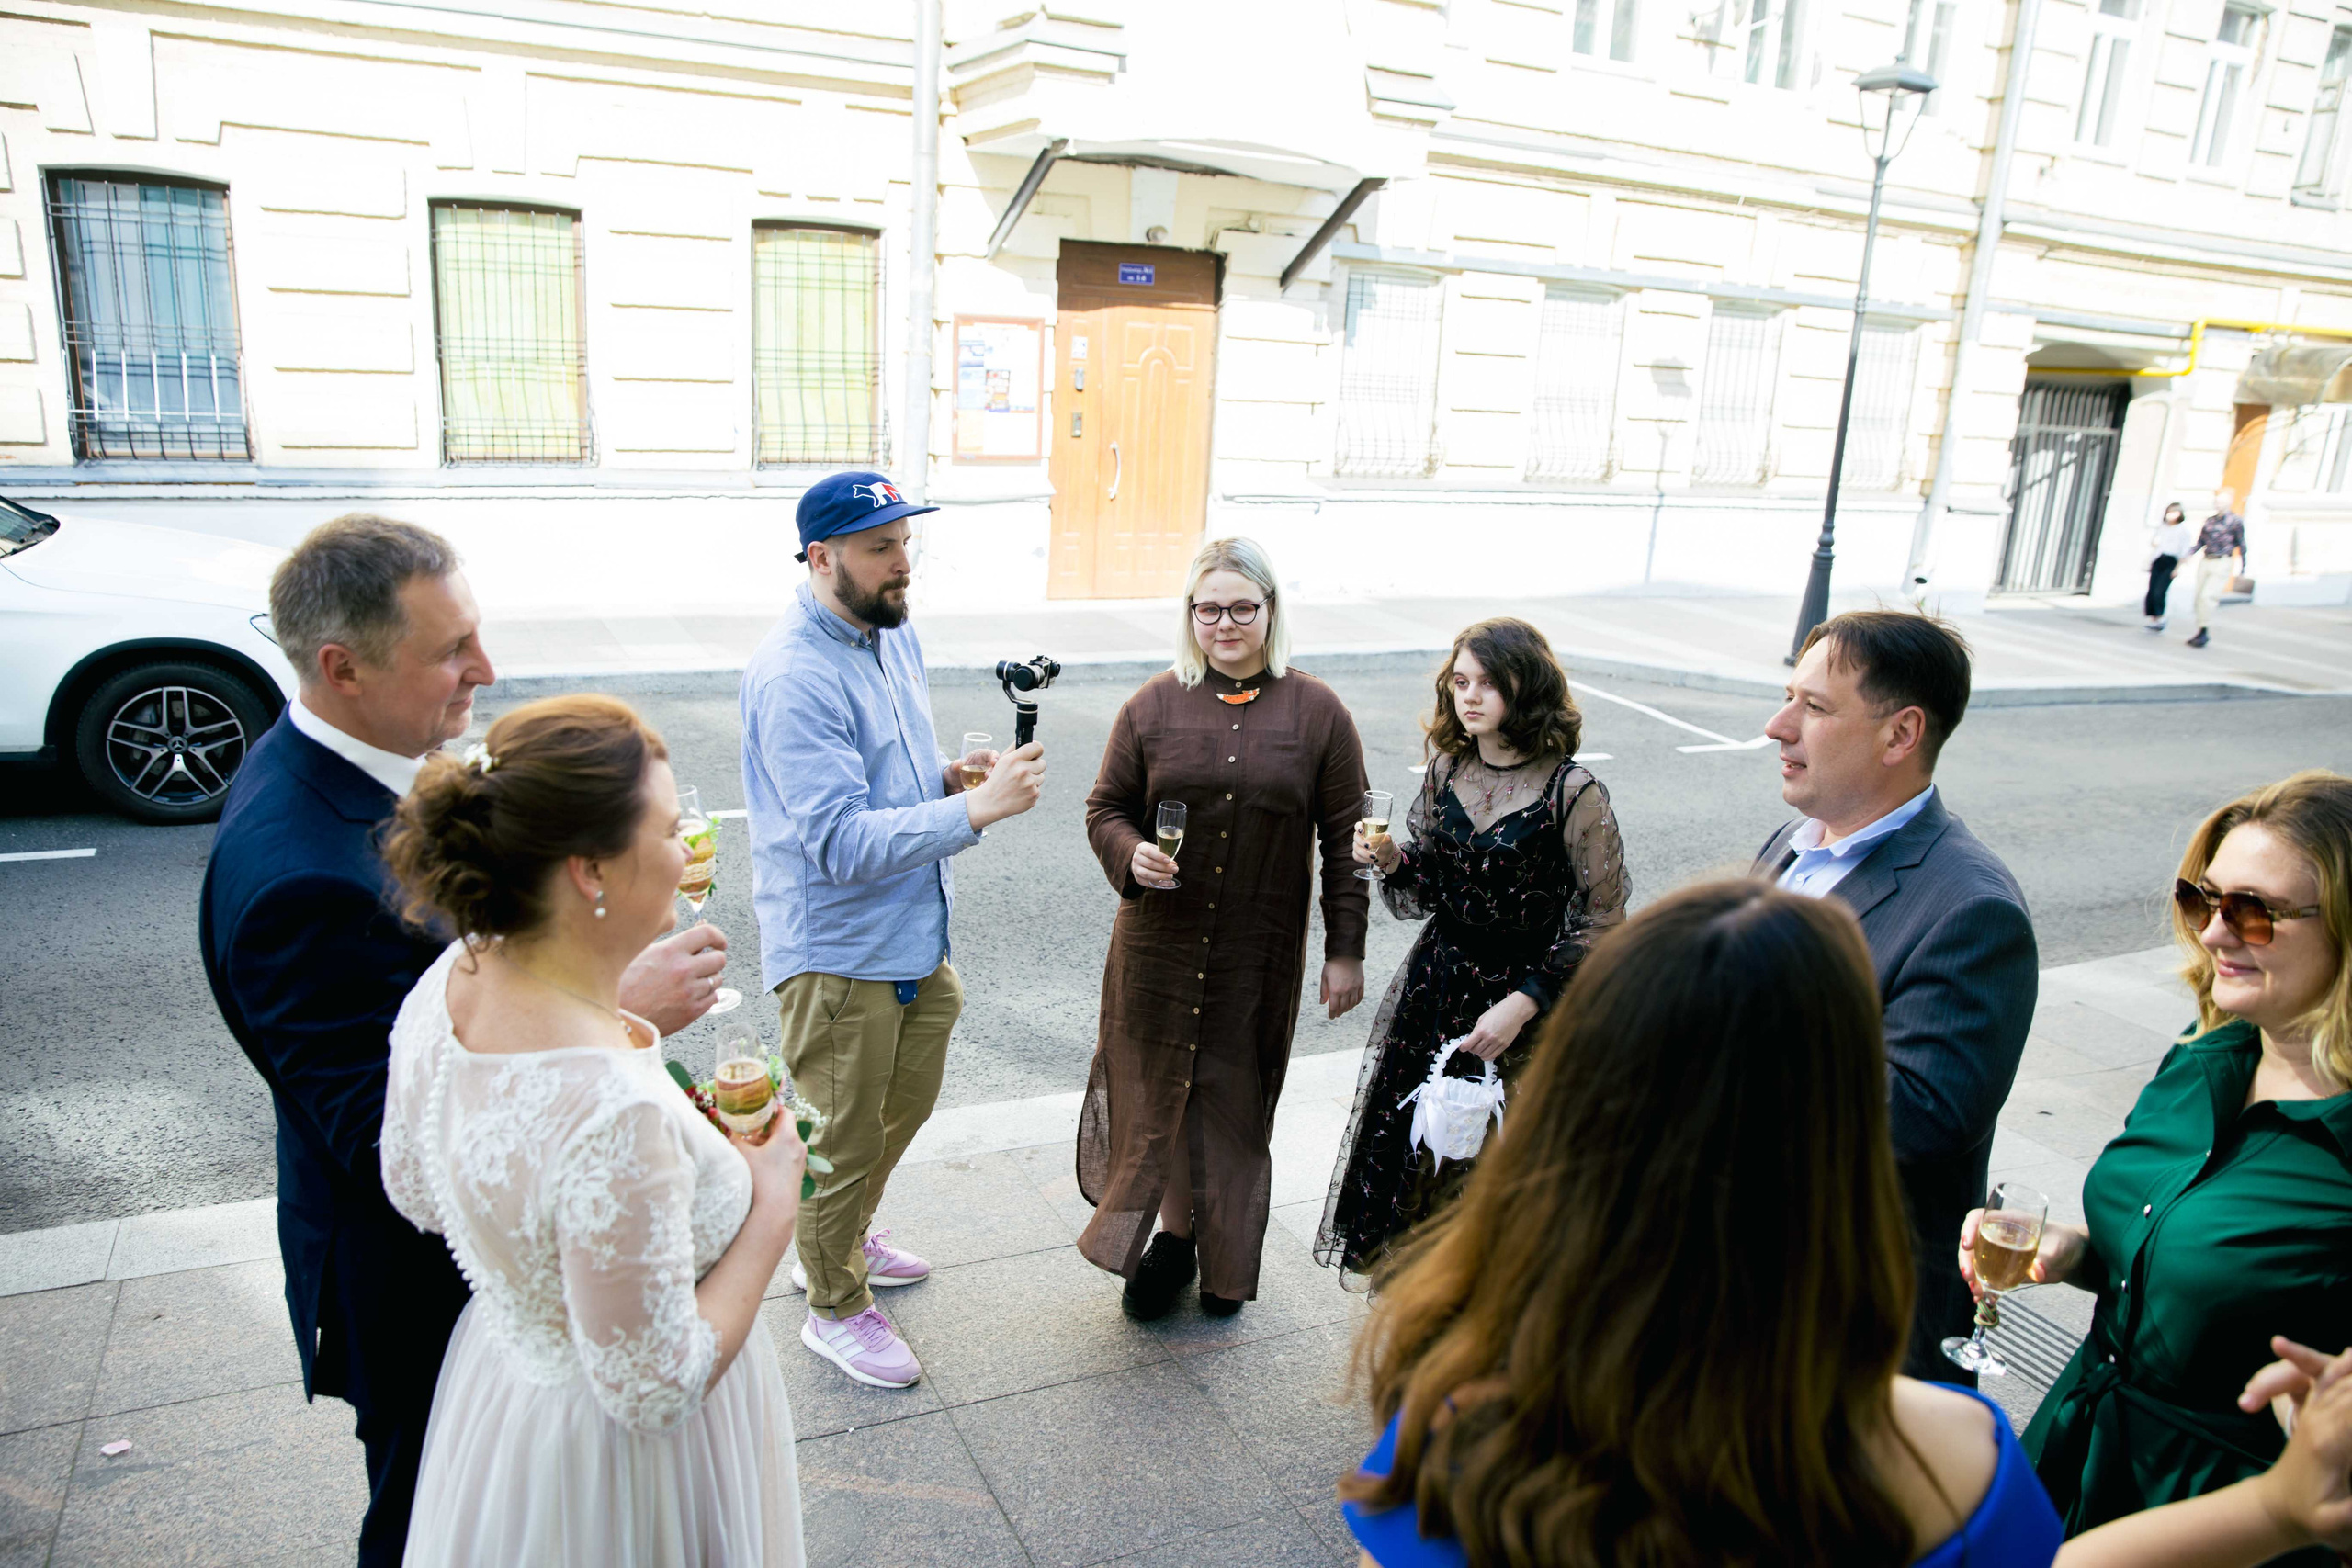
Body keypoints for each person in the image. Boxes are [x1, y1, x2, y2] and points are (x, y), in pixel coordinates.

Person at [1336, 881, 2352, 1568]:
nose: (2215, 930)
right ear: (1835, 1149)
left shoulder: (1444, 1407)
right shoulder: (1947, 1458)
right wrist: (2270, 1509)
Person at [198, 516, 729, 1568]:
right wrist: (615, 1006)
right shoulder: (302, 878)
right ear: (342, 668)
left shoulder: (355, 767)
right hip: (423, 1293)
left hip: (502, 1280)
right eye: (450, 651)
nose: (486, 669)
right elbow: (387, 1134)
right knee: (427, 1528)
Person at [379, 696, 807, 1565]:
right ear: (590, 871)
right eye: (668, 825)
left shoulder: (452, 977)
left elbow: (415, 1188)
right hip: (630, 1472)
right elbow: (654, 1387)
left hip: (506, 1404)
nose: (690, 842)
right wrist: (770, 1205)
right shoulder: (617, 1108)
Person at [1972, 771, 2352, 1562]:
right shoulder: (2202, 1053)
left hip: (2225, 1520)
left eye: (2254, 912)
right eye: (2202, 899)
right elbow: (2172, 1248)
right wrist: (2076, 1253)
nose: (2214, 933)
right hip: (2077, 1457)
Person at [740, 470, 1045, 1389]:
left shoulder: (884, 631)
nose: (901, 562)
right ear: (822, 557)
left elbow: (877, 783)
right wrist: (976, 812)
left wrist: (950, 777)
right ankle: (832, 1304)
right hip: (836, 952)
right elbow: (831, 840)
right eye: (881, 547)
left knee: (891, 1113)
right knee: (838, 1137)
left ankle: (836, 1234)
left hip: (911, 934)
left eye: (906, 542)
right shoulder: (795, 673)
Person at [1079, 536, 1368, 1319]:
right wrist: (1131, 852)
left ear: (1271, 611)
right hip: (1159, 947)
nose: (1225, 622)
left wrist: (1346, 949)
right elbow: (1105, 807)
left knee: (1235, 1097)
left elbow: (1350, 840)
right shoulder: (1151, 704)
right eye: (1209, 608)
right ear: (1190, 615)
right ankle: (1175, 1237)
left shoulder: (1319, 713)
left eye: (1243, 606)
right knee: (1164, 1094)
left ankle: (1225, 1248)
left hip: (1257, 947)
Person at [1753, 609, 2036, 1385]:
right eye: (1789, 697)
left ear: (1901, 734)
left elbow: (1913, 1117)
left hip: (1846, 1330)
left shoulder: (1972, 910)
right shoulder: (1792, 842)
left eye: (1814, 707)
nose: (1779, 726)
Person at [1315, 617, 1627, 1280]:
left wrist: (1526, 1002)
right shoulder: (1446, 769)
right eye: (1460, 681)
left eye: (1489, 681)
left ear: (1528, 685)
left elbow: (1605, 920)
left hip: (1529, 996)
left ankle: (1484, 1309)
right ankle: (1417, 1299)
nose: (1471, 696)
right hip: (1439, 986)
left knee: (1496, 1160)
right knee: (1423, 1142)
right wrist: (1394, 859)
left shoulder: (1574, 791)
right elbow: (1428, 886)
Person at [2185, 488, 2246, 649]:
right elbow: (2201, 541)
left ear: (2229, 502)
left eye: (2222, 501)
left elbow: (2241, 543)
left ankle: (2204, 629)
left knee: (2208, 596)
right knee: (2199, 596)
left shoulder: (2235, 521)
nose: (2218, 504)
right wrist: (2188, 554)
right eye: (2217, 501)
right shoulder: (2210, 521)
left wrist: (2243, 566)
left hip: (2222, 561)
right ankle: (2200, 629)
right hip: (2207, 560)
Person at [2144, 501, 2195, 631]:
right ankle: (2154, 618)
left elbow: (2184, 551)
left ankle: (2160, 617)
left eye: (2174, 513)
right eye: (2169, 512)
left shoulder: (2183, 531)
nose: (2170, 515)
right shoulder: (2163, 527)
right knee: (2152, 589)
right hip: (2158, 559)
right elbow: (2155, 544)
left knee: (2159, 591)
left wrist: (2178, 568)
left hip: (2171, 562)